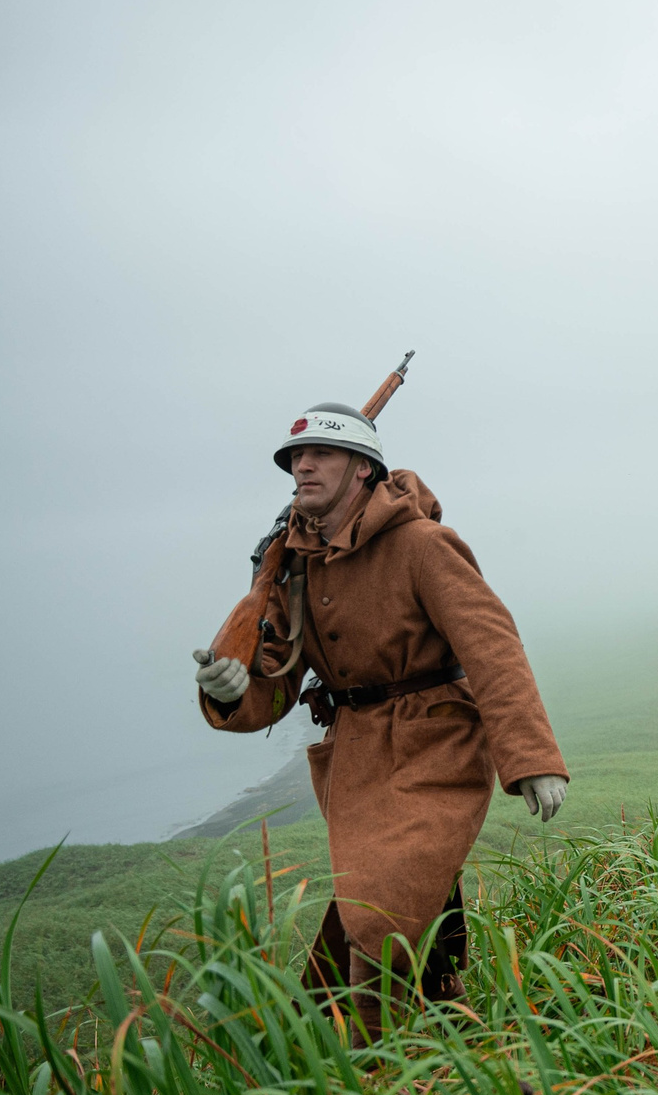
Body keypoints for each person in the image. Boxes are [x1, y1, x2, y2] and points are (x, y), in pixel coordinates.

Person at [193, 400, 568, 1041]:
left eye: (320, 455)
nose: (301, 466)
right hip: (354, 762)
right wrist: (233, 692)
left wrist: (530, 759)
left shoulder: (422, 545)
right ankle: (437, 1035)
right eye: (294, 458)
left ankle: (383, 1061)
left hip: (435, 745)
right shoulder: (298, 567)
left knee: (381, 912)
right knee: (387, 904)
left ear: (363, 470)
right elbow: (277, 684)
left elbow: (492, 646)